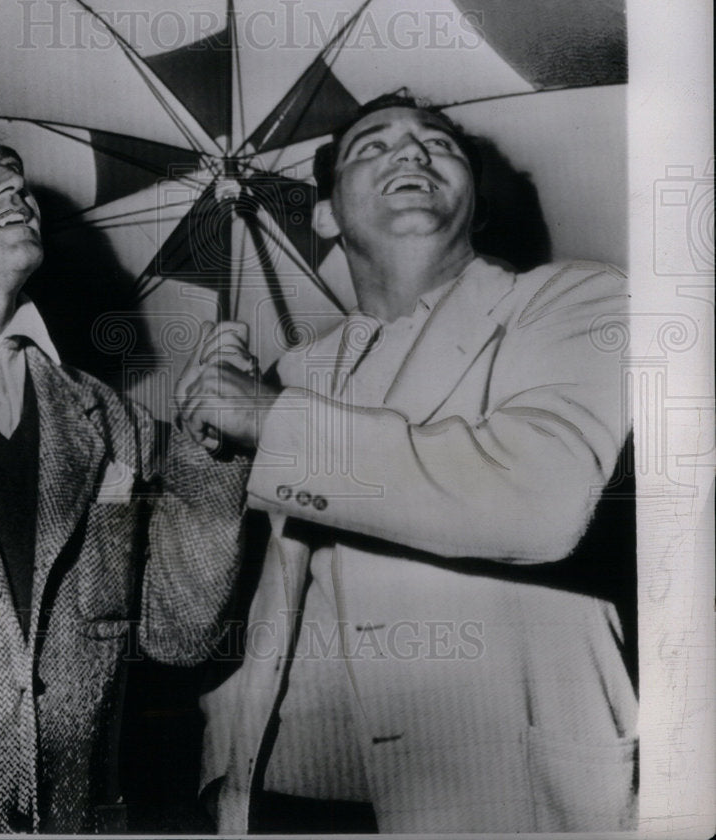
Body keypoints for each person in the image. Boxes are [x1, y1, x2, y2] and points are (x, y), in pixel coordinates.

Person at [177, 93, 636, 834]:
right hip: (282, 794)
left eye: (437, 144)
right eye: (372, 146)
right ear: (325, 215)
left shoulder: (575, 299)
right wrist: (204, 452)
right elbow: (207, 609)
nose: (412, 152)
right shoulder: (288, 371)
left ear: (477, 205)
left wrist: (266, 419)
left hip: (491, 788)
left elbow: (537, 500)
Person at [0, 116, 247, 834]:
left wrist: (209, 455)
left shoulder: (106, 418)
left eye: (10, 164)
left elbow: (177, 635)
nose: (13, 181)